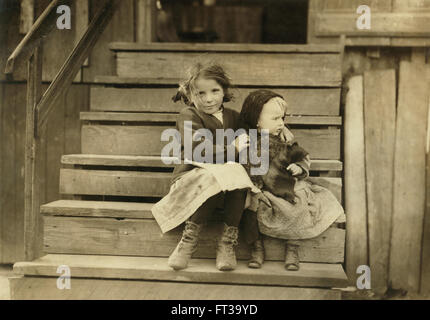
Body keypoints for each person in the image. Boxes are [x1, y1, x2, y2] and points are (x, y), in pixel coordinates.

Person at [151, 61, 258, 272]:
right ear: (190, 95)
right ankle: (188, 241)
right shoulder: (189, 116)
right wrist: (233, 148)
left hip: (227, 187)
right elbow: (200, 150)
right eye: (201, 93)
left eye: (215, 91)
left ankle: (226, 244)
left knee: (238, 175)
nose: (209, 98)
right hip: (192, 180)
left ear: (224, 90)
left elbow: (250, 142)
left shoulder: (234, 118)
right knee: (216, 175)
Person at [239, 89, 346, 271]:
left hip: (286, 187)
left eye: (283, 118)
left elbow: (301, 157)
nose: (281, 123)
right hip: (261, 188)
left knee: (299, 201)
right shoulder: (247, 141)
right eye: (275, 119)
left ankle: (292, 247)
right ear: (256, 120)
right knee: (249, 207)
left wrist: (299, 168)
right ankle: (256, 248)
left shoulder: (285, 141)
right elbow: (243, 166)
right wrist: (252, 186)